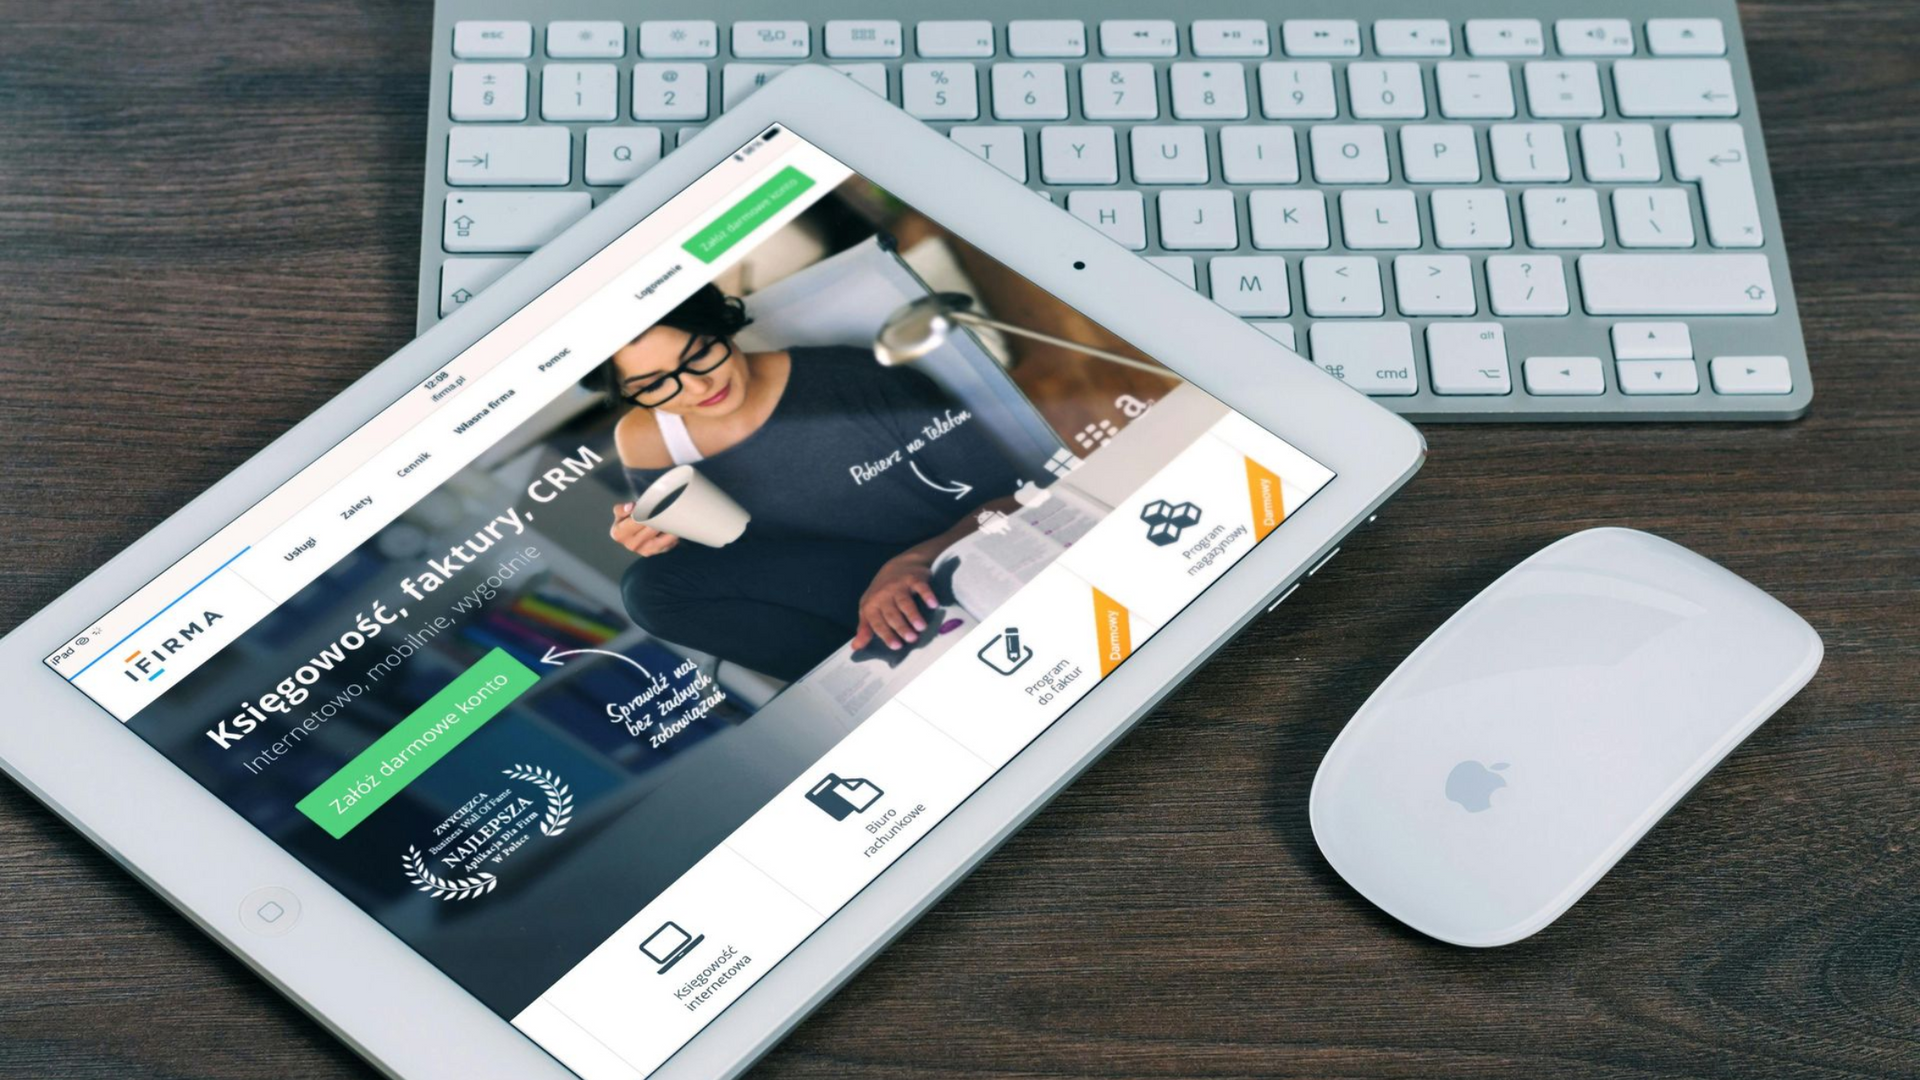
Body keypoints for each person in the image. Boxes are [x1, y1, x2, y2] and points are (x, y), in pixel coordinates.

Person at [589, 284, 1024, 682]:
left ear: (721, 327)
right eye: (656, 384)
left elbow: (1011, 501)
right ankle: (875, 682)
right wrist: (659, 538)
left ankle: (904, 664)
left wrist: (912, 560)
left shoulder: (855, 378)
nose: (697, 387)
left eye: (700, 355)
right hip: (836, 592)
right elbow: (729, 567)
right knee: (649, 589)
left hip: (940, 561)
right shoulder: (647, 436)